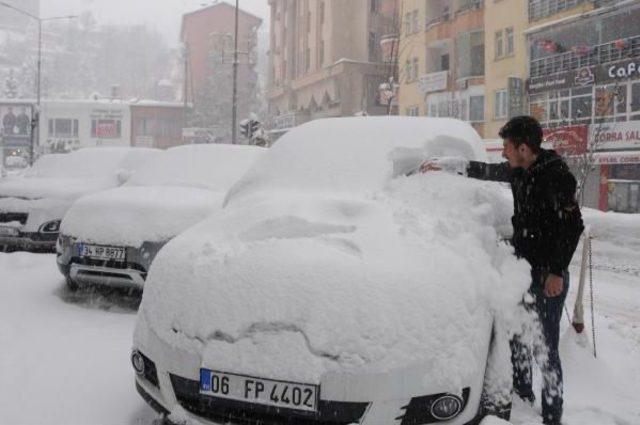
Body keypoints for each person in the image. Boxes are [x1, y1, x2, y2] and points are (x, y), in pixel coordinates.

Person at [421, 116, 584, 425]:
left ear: (524, 148)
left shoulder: (557, 177)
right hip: (521, 270)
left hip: (548, 274)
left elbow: (573, 227)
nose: (504, 154)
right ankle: (523, 396)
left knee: (545, 347)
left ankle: (552, 414)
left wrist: (557, 272)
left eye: (508, 147)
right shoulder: (520, 171)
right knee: (519, 336)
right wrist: (450, 166)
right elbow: (489, 171)